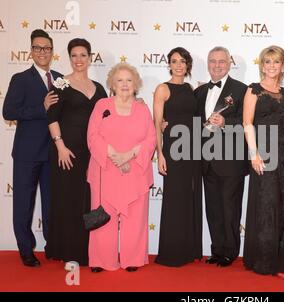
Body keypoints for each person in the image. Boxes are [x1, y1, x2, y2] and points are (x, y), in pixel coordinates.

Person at [86, 62, 156, 272]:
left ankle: (132, 259)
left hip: (135, 170)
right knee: (103, 216)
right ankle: (100, 260)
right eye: (120, 80)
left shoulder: (143, 109)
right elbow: (92, 135)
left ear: (135, 84)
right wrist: (115, 156)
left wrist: (129, 155)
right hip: (105, 169)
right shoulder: (102, 105)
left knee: (135, 217)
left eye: (129, 80)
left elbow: (151, 139)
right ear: (112, 85)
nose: (124, 84)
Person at [45, 38, 107, 268]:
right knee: (68, 199)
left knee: (87, 200)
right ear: (69, 58)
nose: (79, 60)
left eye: (83, 55)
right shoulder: (61, 83)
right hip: (67, 152)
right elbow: (51, 117)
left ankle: (87, 249)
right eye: (74, 55)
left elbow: (109, 118)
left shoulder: (99, 88)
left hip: (92, 155)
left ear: (90, 58)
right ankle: (67, 248)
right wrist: (60, 146)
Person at [2, 29, 62, 267]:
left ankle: (52, 245)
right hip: (27, 154)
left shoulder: (59, 78)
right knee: (23, 204)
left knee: (51, 204)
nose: (42, 52)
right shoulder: (20, 79)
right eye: (37, 48)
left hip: (53, 153)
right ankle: (26, 250)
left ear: (52, 51)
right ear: (31, 51)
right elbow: (9, 112)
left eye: (46, 48)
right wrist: (42, 107)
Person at [242, 45, 284, 275]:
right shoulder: (253, 90)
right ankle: (264, 261)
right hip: (263, 152)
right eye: (267, 62)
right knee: (266, 204)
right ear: (261, 65)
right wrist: (254, 153)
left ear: (283, 66)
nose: (271, 66)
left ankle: (283, 260)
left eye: (276, 62)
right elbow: (247, 123)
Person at [194, 47, 248, 267]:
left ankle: (230, 251)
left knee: (230, 208)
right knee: (214, 208)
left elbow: (248, 123)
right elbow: (192, 123)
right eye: (212, 61)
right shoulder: (198, 92)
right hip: (207, 160)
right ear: (208, 64)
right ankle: (216, 249)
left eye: (221, 62)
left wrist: (226, 123)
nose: (217, 65)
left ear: (229, 63)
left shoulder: (242, 90)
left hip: (231, 160)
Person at [153, 47, 202, 267]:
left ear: (188, 64)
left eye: (182, 61)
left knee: (187, 199)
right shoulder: (162, 89)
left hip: (191, 151)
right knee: (174, 199)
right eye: (174, 61)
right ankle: (172, 252)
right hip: (173, 151)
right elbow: (157, 124)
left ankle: (187, 250)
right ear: (169, 65)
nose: (179, 65)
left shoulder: (191, 88)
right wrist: (160, 153)